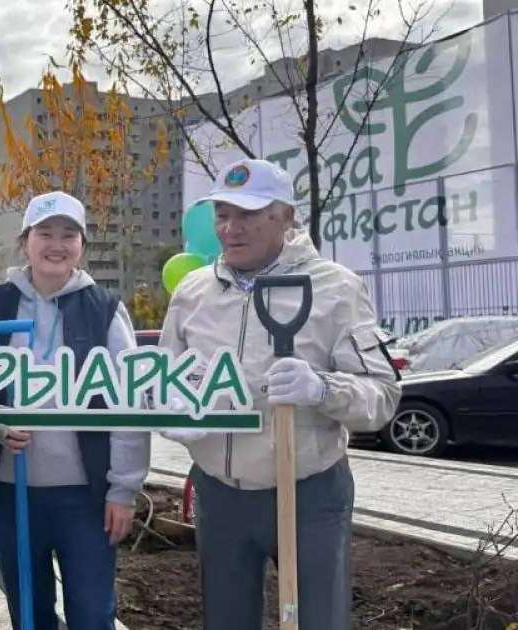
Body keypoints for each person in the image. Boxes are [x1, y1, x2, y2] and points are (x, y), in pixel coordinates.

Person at [160, 159, 400, 629]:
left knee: (318, 620)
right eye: (223, 214)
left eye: (249, 215)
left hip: (308, 492)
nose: (231, 228)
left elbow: (383, 396)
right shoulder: (193, 292)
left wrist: (322, 388)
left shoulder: (335, 288)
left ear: (287, 216)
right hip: (219, 491)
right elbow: (165, 378)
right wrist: (174, 411)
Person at [0, 191, 150, 630]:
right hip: (11, 493)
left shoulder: (102, 309)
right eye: (45, 233)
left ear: (82, 244)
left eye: (69, 234)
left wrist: (123, 489)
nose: (56, 244)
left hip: (85, 497)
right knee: (29, 613)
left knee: (90, 612)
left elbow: (128, 402)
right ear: (25, 241)